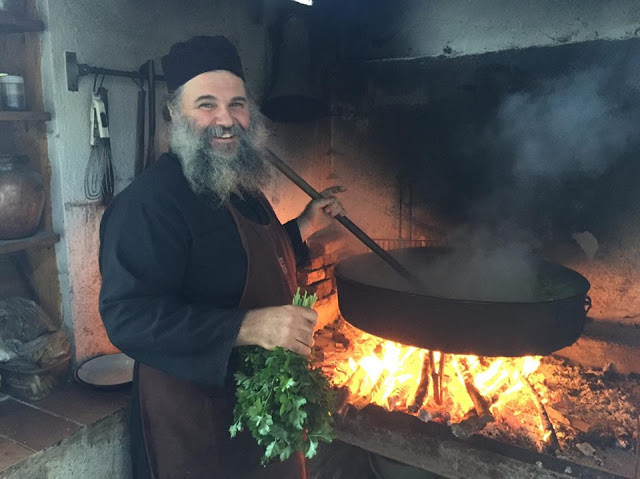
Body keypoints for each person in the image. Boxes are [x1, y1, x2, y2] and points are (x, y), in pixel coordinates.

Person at [98, 35, 345, 479]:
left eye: (238, 104)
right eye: (206, 104)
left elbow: (239, 262)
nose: (226, 120)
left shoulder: (238, 184)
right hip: (198, 423)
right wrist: (251, 326)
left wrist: (305, 226)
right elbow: (128, 317)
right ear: (174, 113)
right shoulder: (150, 202)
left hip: (258, 410)